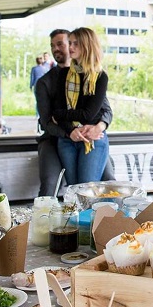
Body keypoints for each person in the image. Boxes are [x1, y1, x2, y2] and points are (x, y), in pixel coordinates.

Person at [36, 28, 114, 196]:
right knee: (62, 187)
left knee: (104, 181)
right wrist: (70, 131)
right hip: (58, 137)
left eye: (61, 44)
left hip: (90, 136)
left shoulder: (96, 76)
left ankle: (111, 220)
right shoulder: (50, 80)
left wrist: (99, 126)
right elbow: (48, 120)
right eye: (52, 46)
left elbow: (102, 111)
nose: (57, 49)